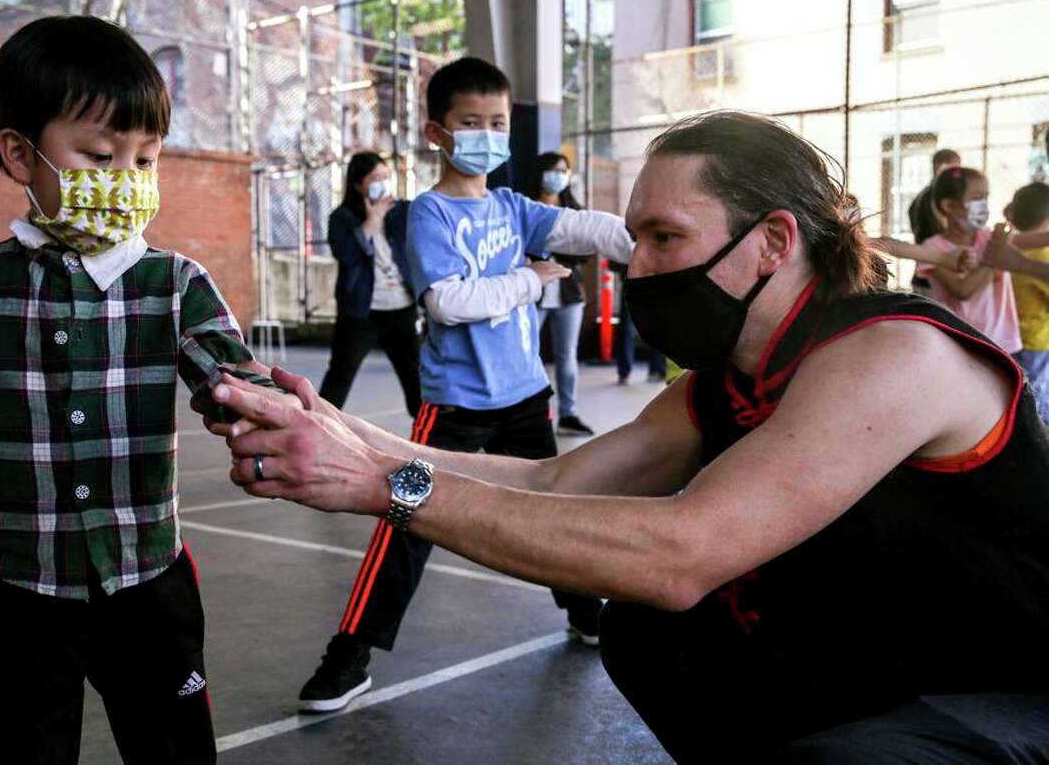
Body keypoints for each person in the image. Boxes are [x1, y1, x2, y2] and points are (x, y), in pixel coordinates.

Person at [205, 110, 1049, 763]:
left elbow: (681, 552)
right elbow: (550, 485)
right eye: (634, 237)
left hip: (1006, 691)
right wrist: (337, 430)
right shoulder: (724, 384)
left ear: (774, 241)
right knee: (652, 635)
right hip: (887, 671)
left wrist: (382, 486)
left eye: (666, 238)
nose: (635, 265)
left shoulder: (893, 351)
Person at [0, 16, 285, 764]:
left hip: (146, 572)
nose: (128, 180)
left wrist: (247, 408)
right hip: (21, 577)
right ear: (20, 154)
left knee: (174, 744)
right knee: (18, 746)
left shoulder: (174, 283)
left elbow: (228, 370)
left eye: (146, 159)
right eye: (99, 155)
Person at [292, 56, 633, 714]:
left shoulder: (512, 205)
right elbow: (449, 301)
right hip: (453, 406)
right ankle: (350, 655)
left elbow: (578, 228)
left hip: (526, 396)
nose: (487, 133)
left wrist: (641, 239)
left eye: (498, 122)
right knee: (405, 517)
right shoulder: (426, 216)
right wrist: (533, 280)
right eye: (470, 122)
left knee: (558, 508)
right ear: (437, 132)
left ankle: (585, 611)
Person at [318, 152, 422, 418]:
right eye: (374, 178)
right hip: (361, 314)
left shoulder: (402, 211)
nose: (382, 182)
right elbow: (347, 254)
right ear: (357, 184)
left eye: (385, 177)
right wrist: (372, 220)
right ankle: (318, 426)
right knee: (339, 377)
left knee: (417, 382)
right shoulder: (341, 218)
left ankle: (430, 440)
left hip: (402, 309)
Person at [913, 167, 1023, 355]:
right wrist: (996, 251)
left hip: (1006, 344)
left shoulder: (988, 237)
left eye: (985, 197)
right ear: (948, 206)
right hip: (967, 347)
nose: (983, 204)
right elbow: (963, 291)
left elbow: (1030, 240)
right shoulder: (933, 249)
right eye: (976, 197)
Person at [529, 151, 595, 434]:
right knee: (528, 354)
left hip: (568, 293)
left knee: (567, 355)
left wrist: (552, 246)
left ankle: (568, 413)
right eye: (553, 170)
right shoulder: (527, 206)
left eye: (563, 170)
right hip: (533, 291)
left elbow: (586, 250)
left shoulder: (573, 208)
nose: (558, 176)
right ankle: (532, 414)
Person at [991, 183, 1049, 420]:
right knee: (1037, 402)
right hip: (1035, 340)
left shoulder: (1007, 247)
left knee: (1015, 394)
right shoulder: (1042, 255)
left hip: (1008, 337)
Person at [907, 148, 960, 293]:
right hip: (934, 277)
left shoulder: (923, 196)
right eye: (955, 171)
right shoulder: (935, 198)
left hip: (927, 272)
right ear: (940, 168)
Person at [610, 260, 667, 384]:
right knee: (628, 329)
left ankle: (655, 369)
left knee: (656, 327)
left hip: (649, 280)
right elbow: (613, 260)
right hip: (637, 280)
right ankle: (626, 372)